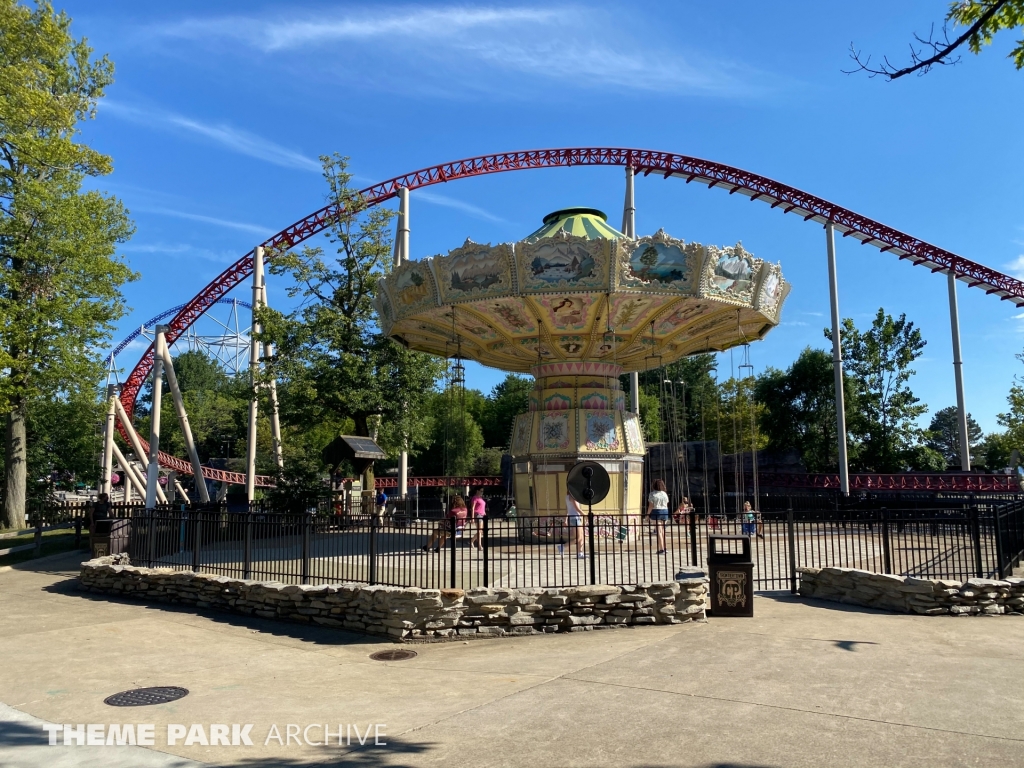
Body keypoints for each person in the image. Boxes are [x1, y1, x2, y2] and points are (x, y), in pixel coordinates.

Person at [647, 479, 669, 555]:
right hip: (665, 511)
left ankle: (661, 549)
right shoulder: (664, 494)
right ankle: (665, 547)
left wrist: (647, 515)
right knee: (663, 531)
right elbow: (667, 503)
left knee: (659, 531)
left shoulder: (652, 494)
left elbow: (651, 506)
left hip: (656, 511)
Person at [564, 492, 586, 558]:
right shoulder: (573, 497)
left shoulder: (567, 497)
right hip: (575, 518)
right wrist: (585, 514)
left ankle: (580, 553)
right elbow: (577, 508)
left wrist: (566, 519)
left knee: (582, 536)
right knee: (579, 538)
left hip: (574, 518)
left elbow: (567, 510)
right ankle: (563, 546)